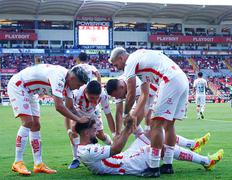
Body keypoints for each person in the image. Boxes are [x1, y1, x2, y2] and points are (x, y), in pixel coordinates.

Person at [109, 47, 189, 177]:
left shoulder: (130, 62)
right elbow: (144, 95)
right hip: (181, 78)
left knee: (155, 124)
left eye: (115, 64)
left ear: (121, 58)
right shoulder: (141, 58)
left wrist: (126, 114)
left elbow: (131, 93)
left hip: (169, 79)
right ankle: (168, 165)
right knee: (169, 124)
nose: (116, 68)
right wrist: (134, 116)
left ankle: (154, 167)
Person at [7, 64, 89, 175]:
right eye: (79, 85)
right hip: (19, 85)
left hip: (31, 92)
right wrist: (79, 120)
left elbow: (70, 107)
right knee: (28, 122)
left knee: (36, 125)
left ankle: (38, 164)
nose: (78, 88)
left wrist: (84, 119)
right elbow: (59, 106)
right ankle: (17, 162)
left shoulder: (68, 83)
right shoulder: (59, 76)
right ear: (72, 78)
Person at [76, 120, 224, 176]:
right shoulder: (87, 151)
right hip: (127, 164)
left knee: (152, 133)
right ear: (86, 132)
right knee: (160, 148)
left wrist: (131, 128)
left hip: (125, 156)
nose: (97, 132)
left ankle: (192, 145)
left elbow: (115, 147)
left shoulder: (86, 147)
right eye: (94, 129)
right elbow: (115, 149)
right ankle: (206, 161)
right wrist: (127, 130)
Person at [106, 77, 210, 153]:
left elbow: (142, 108)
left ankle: (191, 145)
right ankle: (192, 144)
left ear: (121, 87)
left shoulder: (135, 85)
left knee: (153, 132)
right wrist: (117, 134)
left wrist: (127, 131)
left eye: (118, 95)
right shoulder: (119, 87)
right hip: (148, 97)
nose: (119, 97)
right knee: (148, 135)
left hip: (157, 95)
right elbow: (119, 112)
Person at [65, 52, 102, 169]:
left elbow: (68, 106)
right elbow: (98, 76)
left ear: (78, 60)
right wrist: (98, 89)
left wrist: (68, 129)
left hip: (81, 102)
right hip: (92, 102)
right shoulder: (92, 68)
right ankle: (93, 155)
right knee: (95, 133)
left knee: (74, 131)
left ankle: (76, 159)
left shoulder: (75, 68)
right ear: (87, 59)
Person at [68, 80, 116, 169]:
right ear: (86, 92)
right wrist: (70, 127)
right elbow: (69, 110)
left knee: (100, 135)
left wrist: (114, 134)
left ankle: (113, 148)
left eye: (96, 98)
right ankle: (76, 159)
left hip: (94, 112)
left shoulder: (103, 95)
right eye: (92, 98)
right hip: (79, 112)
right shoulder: (77, 93)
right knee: (73, 132)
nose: (94, 101)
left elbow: (108, 114)